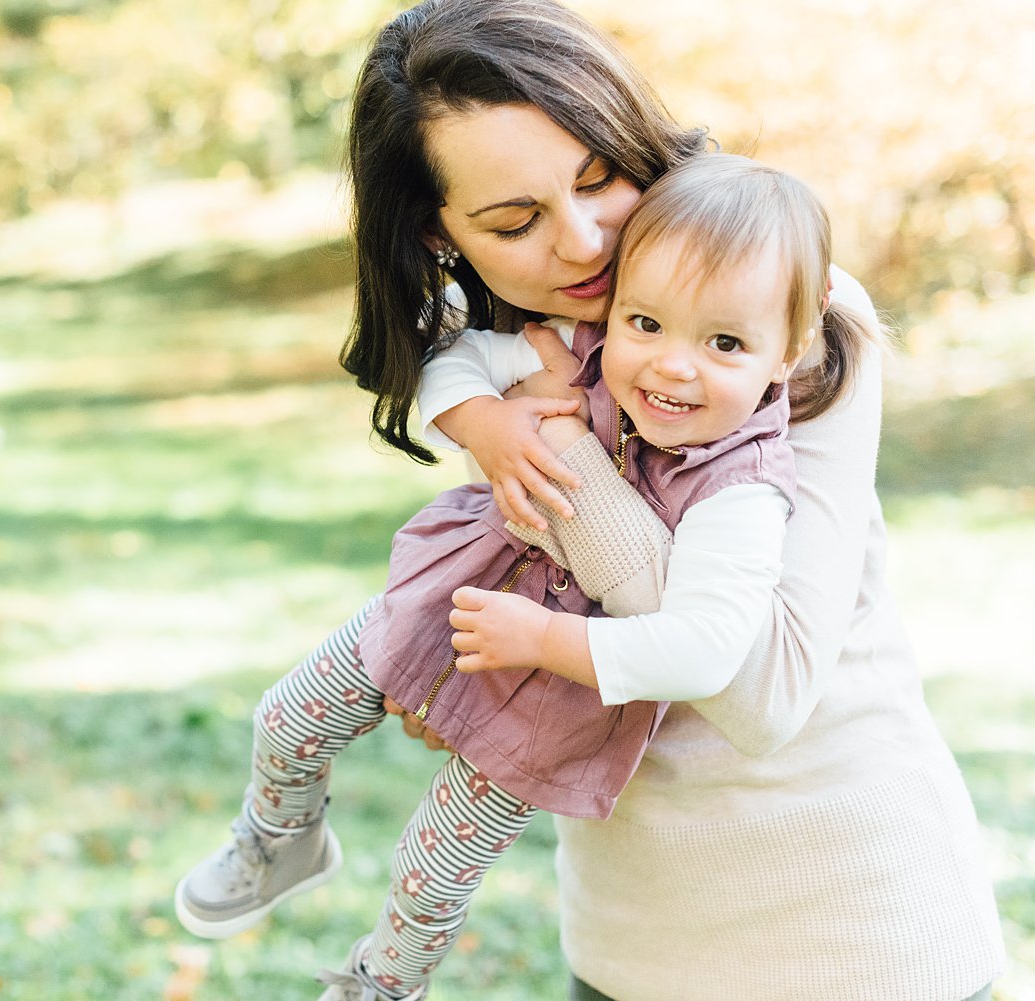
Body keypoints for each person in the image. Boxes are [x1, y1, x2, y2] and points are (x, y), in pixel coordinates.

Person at [184, 1, 1007, 999]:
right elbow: (542, 556)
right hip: (631, 939)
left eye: (597, 177)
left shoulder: (793, 321)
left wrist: (564, 454)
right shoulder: (522, 336)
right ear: (442, 237)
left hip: (854, 929)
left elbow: (757, 694)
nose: (579, 243)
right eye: (514, 220)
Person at [177, 152, 859, 1001]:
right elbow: (453, 359)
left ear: (789, 346)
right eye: (646, 324)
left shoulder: (742, 491)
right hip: (457, 592)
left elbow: (706, 649)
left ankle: (382, 985)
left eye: (724, 343)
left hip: (560, 686)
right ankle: (280, 834)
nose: (670, 366)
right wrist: (489, 423)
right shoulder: (588, 348)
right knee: (290, 711)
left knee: (438, 857)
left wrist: (542, 638)